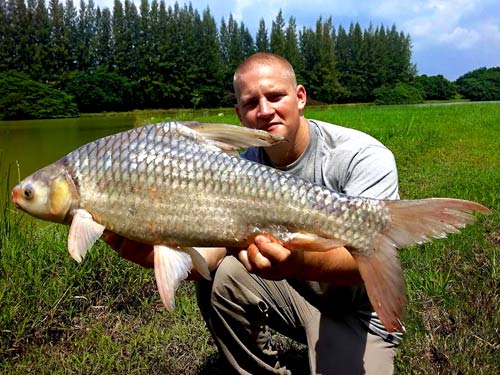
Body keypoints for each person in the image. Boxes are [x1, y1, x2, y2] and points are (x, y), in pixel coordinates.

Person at [103, 52, 402, 374]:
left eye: (275, 96)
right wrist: (171, 257)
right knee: (222, 276)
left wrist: (296, 261)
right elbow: (217, 246)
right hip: (294, 293)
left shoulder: (359, 155)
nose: (265, 111)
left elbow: (364, 267)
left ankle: (343, 343)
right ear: (239, 113)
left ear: (300, 97)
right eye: (250, 103)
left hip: (357, 308)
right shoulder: (239, 165)